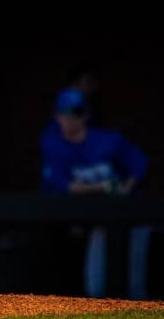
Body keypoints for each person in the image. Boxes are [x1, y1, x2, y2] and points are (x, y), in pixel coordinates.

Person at [40, 87, 150, 298]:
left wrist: (126, 187)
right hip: (102, 219)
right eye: (65, 114)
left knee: (134, 285)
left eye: (76, 113)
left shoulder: (108, 140)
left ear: (86, 116)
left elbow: (139, 163)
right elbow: (61, 186)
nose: (70, 119)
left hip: (134, 216)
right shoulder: (54, 145)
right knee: (96, 286)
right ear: (57, 116)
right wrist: (102, 188)